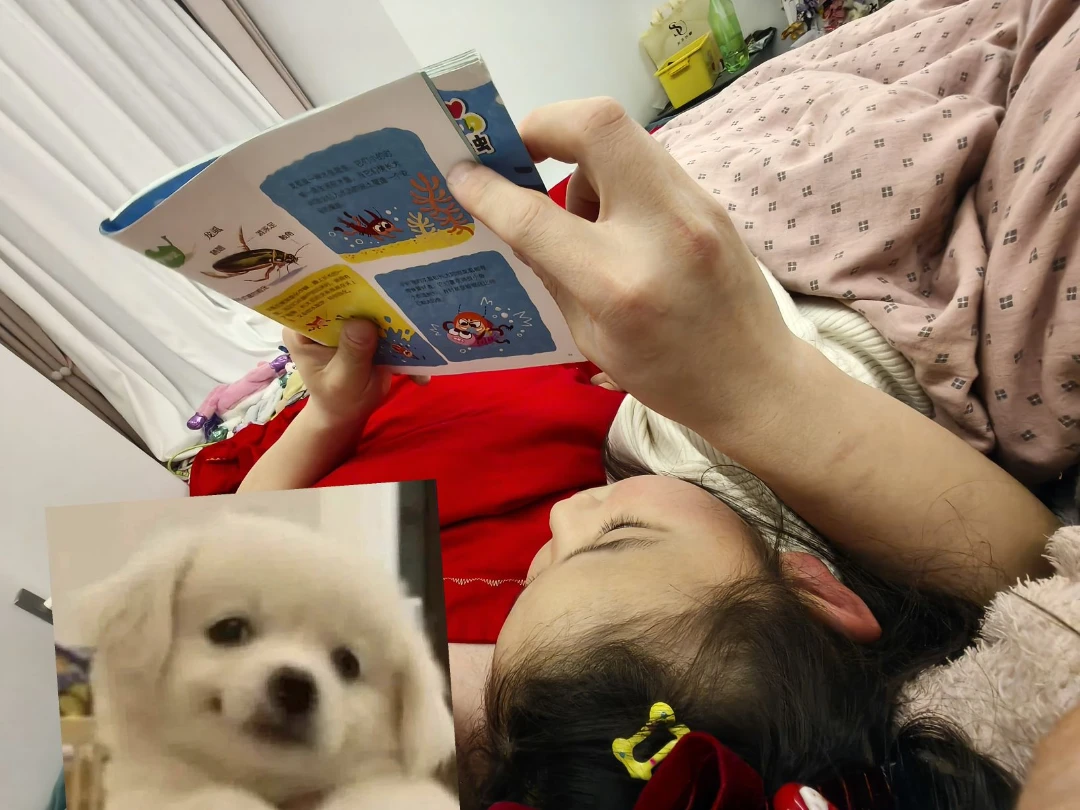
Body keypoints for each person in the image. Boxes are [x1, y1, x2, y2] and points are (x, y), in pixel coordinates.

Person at [238, 99, 1061, 810]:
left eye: (536, 570)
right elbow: (1033, 567)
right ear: (813, 586)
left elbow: (242, 541)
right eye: (614, 535)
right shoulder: (792, 525)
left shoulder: (610, 642)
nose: (562, 516)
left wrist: (327, 418)